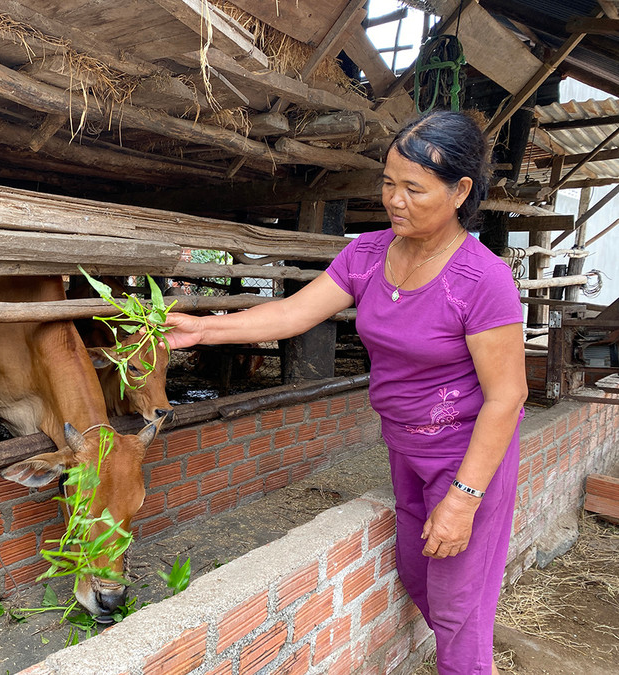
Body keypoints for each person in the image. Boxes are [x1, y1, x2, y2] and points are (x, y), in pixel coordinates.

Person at [163, 110, 527, 675]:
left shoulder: (482, 280)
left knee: (458, 611)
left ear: (459, 191)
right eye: (387, 183)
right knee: (416, 574)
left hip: (465, 458)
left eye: (413, 188)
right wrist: (204, 328)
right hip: (405, 448)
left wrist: (463, 499)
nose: (394, 200)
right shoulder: (367, 254)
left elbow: (507, 397)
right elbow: (291, 314)